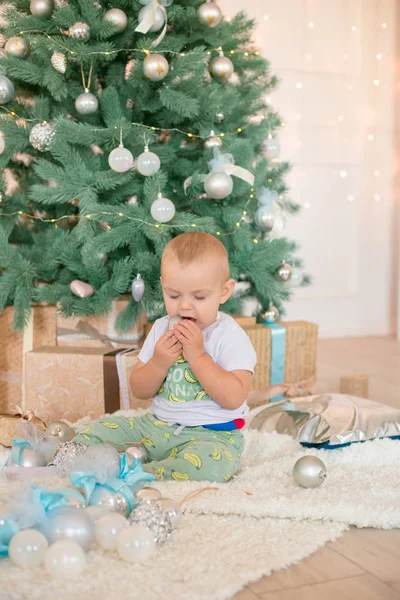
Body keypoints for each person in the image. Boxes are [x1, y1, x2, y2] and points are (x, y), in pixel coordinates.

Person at [72, 232, 257, 482]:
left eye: (199, 297)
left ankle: (143, 474)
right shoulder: (161, 328)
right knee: (103, 429)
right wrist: (159, 362)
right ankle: (69, 457)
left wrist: (198, 356)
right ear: (163, 287)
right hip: (155, 426)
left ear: (224, 292)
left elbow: (234, 397)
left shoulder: (229, 336)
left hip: (212, 435)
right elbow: (140, 389)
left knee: (212, 465)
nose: (184, 307)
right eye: (173, 295)